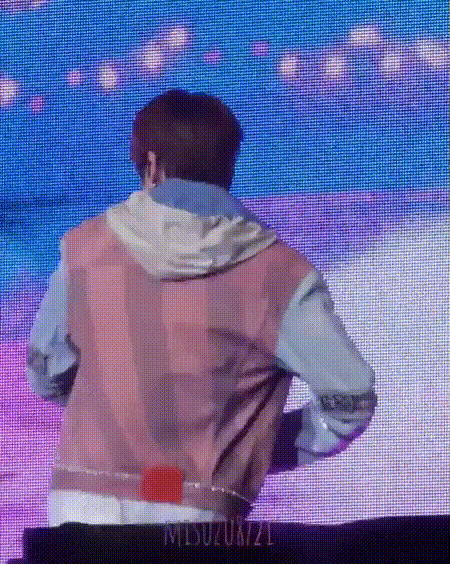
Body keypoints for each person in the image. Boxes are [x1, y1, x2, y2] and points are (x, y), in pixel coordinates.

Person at [26, 89, 377, 527]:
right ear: (228, 166)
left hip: (81, 501)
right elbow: (350, 400)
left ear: (150, 163)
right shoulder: (281, 274)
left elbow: (46, 368)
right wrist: (254, 449)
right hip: (194, 507)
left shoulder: (84, 249)